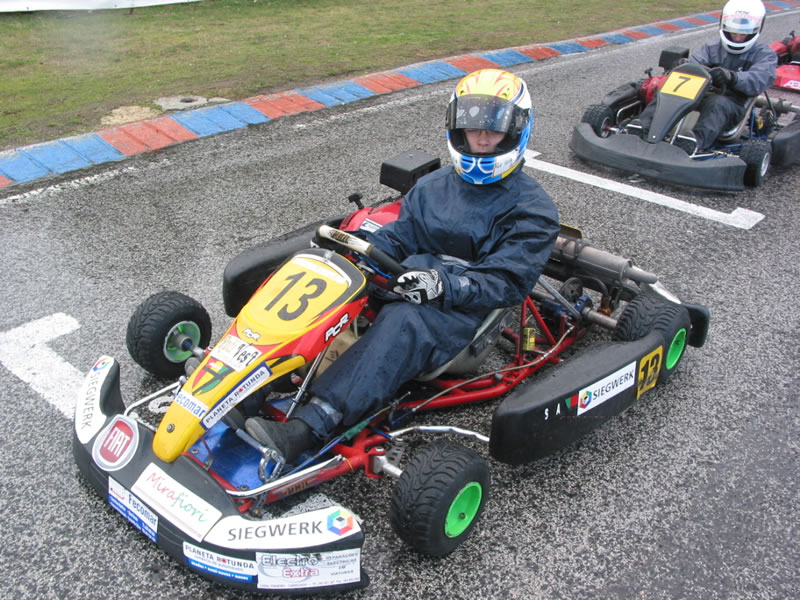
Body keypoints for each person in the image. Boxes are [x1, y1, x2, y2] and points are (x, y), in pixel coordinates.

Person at [244, 69, 561, 463]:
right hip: (409, 282)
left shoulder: (533, 210)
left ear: (515, 130)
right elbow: (400, 237)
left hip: (463, 311)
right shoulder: (433, 186)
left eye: (493, 129)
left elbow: (506, 281)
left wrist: (443, 285)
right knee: (327, 284)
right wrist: (360, 251)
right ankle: (252, 384)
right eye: (472, 127)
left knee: (403, 320)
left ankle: (311, 425)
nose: (481, 138)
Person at [635, 0, 776, 153]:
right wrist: (683, 66)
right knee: (668, 89)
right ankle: (643, 127)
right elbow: (695, 64)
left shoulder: (764, 55)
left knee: (717, 103)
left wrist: (732, 77)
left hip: (732, 103)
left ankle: (694, 143)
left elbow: (759, 79)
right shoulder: (711, 48)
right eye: (733, 33)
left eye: (742, 34)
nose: (737, 38)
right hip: (700, 94)